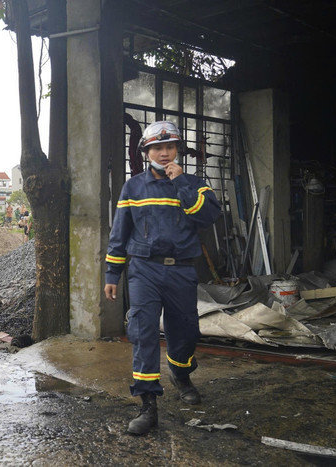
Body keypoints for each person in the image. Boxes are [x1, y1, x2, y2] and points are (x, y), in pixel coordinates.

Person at [103, 120, 220, 436]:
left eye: (170, 147)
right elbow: (119, 233)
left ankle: (181, 375)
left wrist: (181, 183)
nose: (165, 153)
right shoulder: (133, 188)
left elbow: (209, 215)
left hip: (181, 268)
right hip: (144, 269)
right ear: (147, 151)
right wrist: (112, 273)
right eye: (158, 147)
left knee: (186, 330)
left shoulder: (194, 183)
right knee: (142, 332)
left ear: (177, 150)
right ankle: (147, 405)